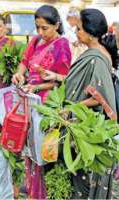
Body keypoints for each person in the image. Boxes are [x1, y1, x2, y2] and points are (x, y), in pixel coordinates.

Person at [38, 9, 116, 199]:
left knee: (82, 178)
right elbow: (81, 82)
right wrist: (56, 76)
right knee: (74, 176)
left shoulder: (97, 58)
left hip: (84, 127)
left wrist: (71, 108)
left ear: (90, 33)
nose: (76, 32)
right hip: (74, 122)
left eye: (79, 29)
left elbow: (100, 96)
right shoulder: (90, 52)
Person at [11, 5, 71, 199]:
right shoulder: (36, 41)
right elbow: (24, 61)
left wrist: (38, 87)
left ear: (57, 25)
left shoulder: (62, 45)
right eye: (37, 27)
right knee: (29, 144)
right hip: (30, 97)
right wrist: (19, 74)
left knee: (44, 145)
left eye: (45, 28)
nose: (40, 32)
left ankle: (46, 189)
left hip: (48, 101)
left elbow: (63, 79)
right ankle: (32, 186)